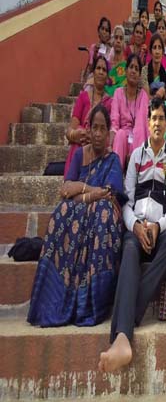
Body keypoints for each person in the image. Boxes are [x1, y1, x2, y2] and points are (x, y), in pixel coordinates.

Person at [98, 97, 166, 372]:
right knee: (130, 249)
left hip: (159, 231)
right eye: (153, 118)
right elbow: (126, 201)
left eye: (161, 118)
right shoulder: (136, 157)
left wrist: (159, 227)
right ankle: (123, 337)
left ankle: (126, 317)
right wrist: (135, 225)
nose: (157, 123)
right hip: (136, 228)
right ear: (147, 122)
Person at [29, 105, 124, 327]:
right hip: (78, 212)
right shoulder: (80, 154)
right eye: (94, 128)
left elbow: (110, 194)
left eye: (102, 128)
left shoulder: (112, 160)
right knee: (62, 211)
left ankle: (90, 301)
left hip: (98, 215)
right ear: (88, 130)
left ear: (108, 133)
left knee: (102, 212)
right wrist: (90, 192)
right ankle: (55, 298)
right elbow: (66, 190)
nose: (98, 133)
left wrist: (80, 192)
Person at [65, 55, 113, 178]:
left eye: (104, 70)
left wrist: (93, 136)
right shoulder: (83, 97)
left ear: (107, 76)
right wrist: (78, 135)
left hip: (99, 144)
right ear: (93, 72)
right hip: (81, 142)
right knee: (77, 145)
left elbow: (109, 132)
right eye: (98, 68)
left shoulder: (109, 102)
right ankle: (71, 182)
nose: (101, 72)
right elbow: (70, 130)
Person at [110, 54, 149, 169]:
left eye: (137, 69)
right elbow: (114, 122)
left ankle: (136, 166)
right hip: (121, 141)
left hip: (138, 141)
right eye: (131, 67)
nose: (133, 71)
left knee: (140, 131)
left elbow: (142, 125)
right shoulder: (118, 93)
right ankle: (116, 173)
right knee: (120, 134)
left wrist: (133, 151)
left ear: (139, 75)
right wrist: (110, 145)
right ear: (126, 71)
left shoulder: (143, 96)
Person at [141, 33, 166, 100]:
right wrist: (159, 95)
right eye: (154, 47)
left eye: (159, 48)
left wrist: (164, 95)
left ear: (163, 52)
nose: (157, 52)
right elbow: (146, 99)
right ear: (150, 52)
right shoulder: (144, 71)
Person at [105, 25, 127, 97]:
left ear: (124, 42)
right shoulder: (106, 65)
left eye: (121, 38)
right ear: (112, 41)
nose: (118, 41)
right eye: (116, 37)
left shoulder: (127, 66)